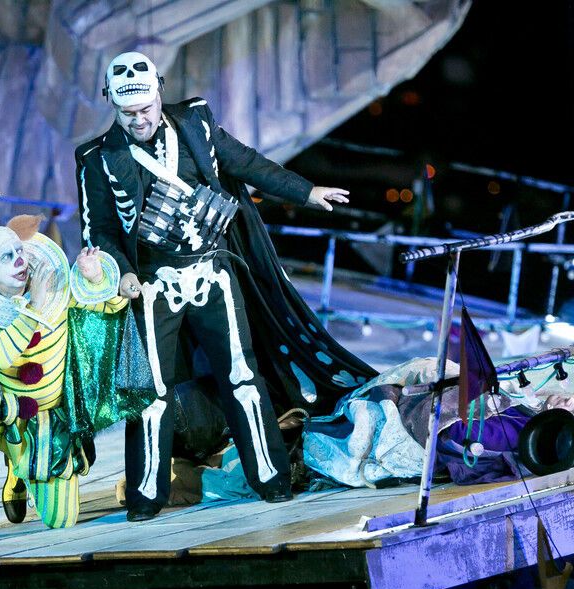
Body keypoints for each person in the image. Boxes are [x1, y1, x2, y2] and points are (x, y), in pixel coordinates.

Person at [75, 52, 375, 522]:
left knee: (242, 376)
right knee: (152, 393)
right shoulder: (97, 157)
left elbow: (247, 163)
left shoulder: (196, 122)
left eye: (146, 108)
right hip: (153, 285)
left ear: (160, 93)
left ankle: (272, 480)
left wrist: (307, 191)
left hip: (212, 272)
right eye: (127, 112)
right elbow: (101, 231)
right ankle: (145, 496)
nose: (139, 120)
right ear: (111, 104)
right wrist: (120, 273)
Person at [0, 214, 139, 550]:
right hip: (1, 409)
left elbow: (106, 305)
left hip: (46, 416)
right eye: (7, 257)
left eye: (19, 251)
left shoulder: (55, 285)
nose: (19, 261)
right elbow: (1, 355)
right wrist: (34, 305)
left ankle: (18, 469)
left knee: (61, 520)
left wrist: (97, 278)